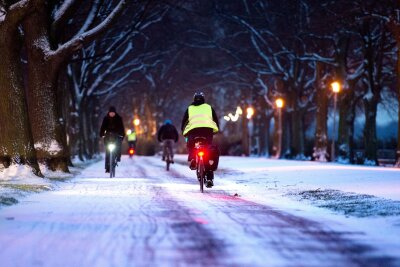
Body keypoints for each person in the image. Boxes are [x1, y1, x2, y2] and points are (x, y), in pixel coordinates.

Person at [181, 92, 219, 178]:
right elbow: (215, 119)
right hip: (207, 131)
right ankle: (209, 175)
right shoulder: (209, 107)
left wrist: (183, 130)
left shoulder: (190, 108)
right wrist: (216, 129)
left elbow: (184, 121)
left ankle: (193, 158)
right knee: (208, 148)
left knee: (191, 145)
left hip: (193, 131)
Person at [99, 106, 125, 173]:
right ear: (109, 112)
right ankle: (107, 167)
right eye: (111, 113)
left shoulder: (119, 118)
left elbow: (122, 127)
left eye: (113, 113)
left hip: (116, 135)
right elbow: (103, 127)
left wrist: (122, 135)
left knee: (118, 146)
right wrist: (101, 134)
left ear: (115, 113)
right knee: (108, 152)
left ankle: (118, 157)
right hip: (108, 136)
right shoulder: (106, 118)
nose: (112, 114)